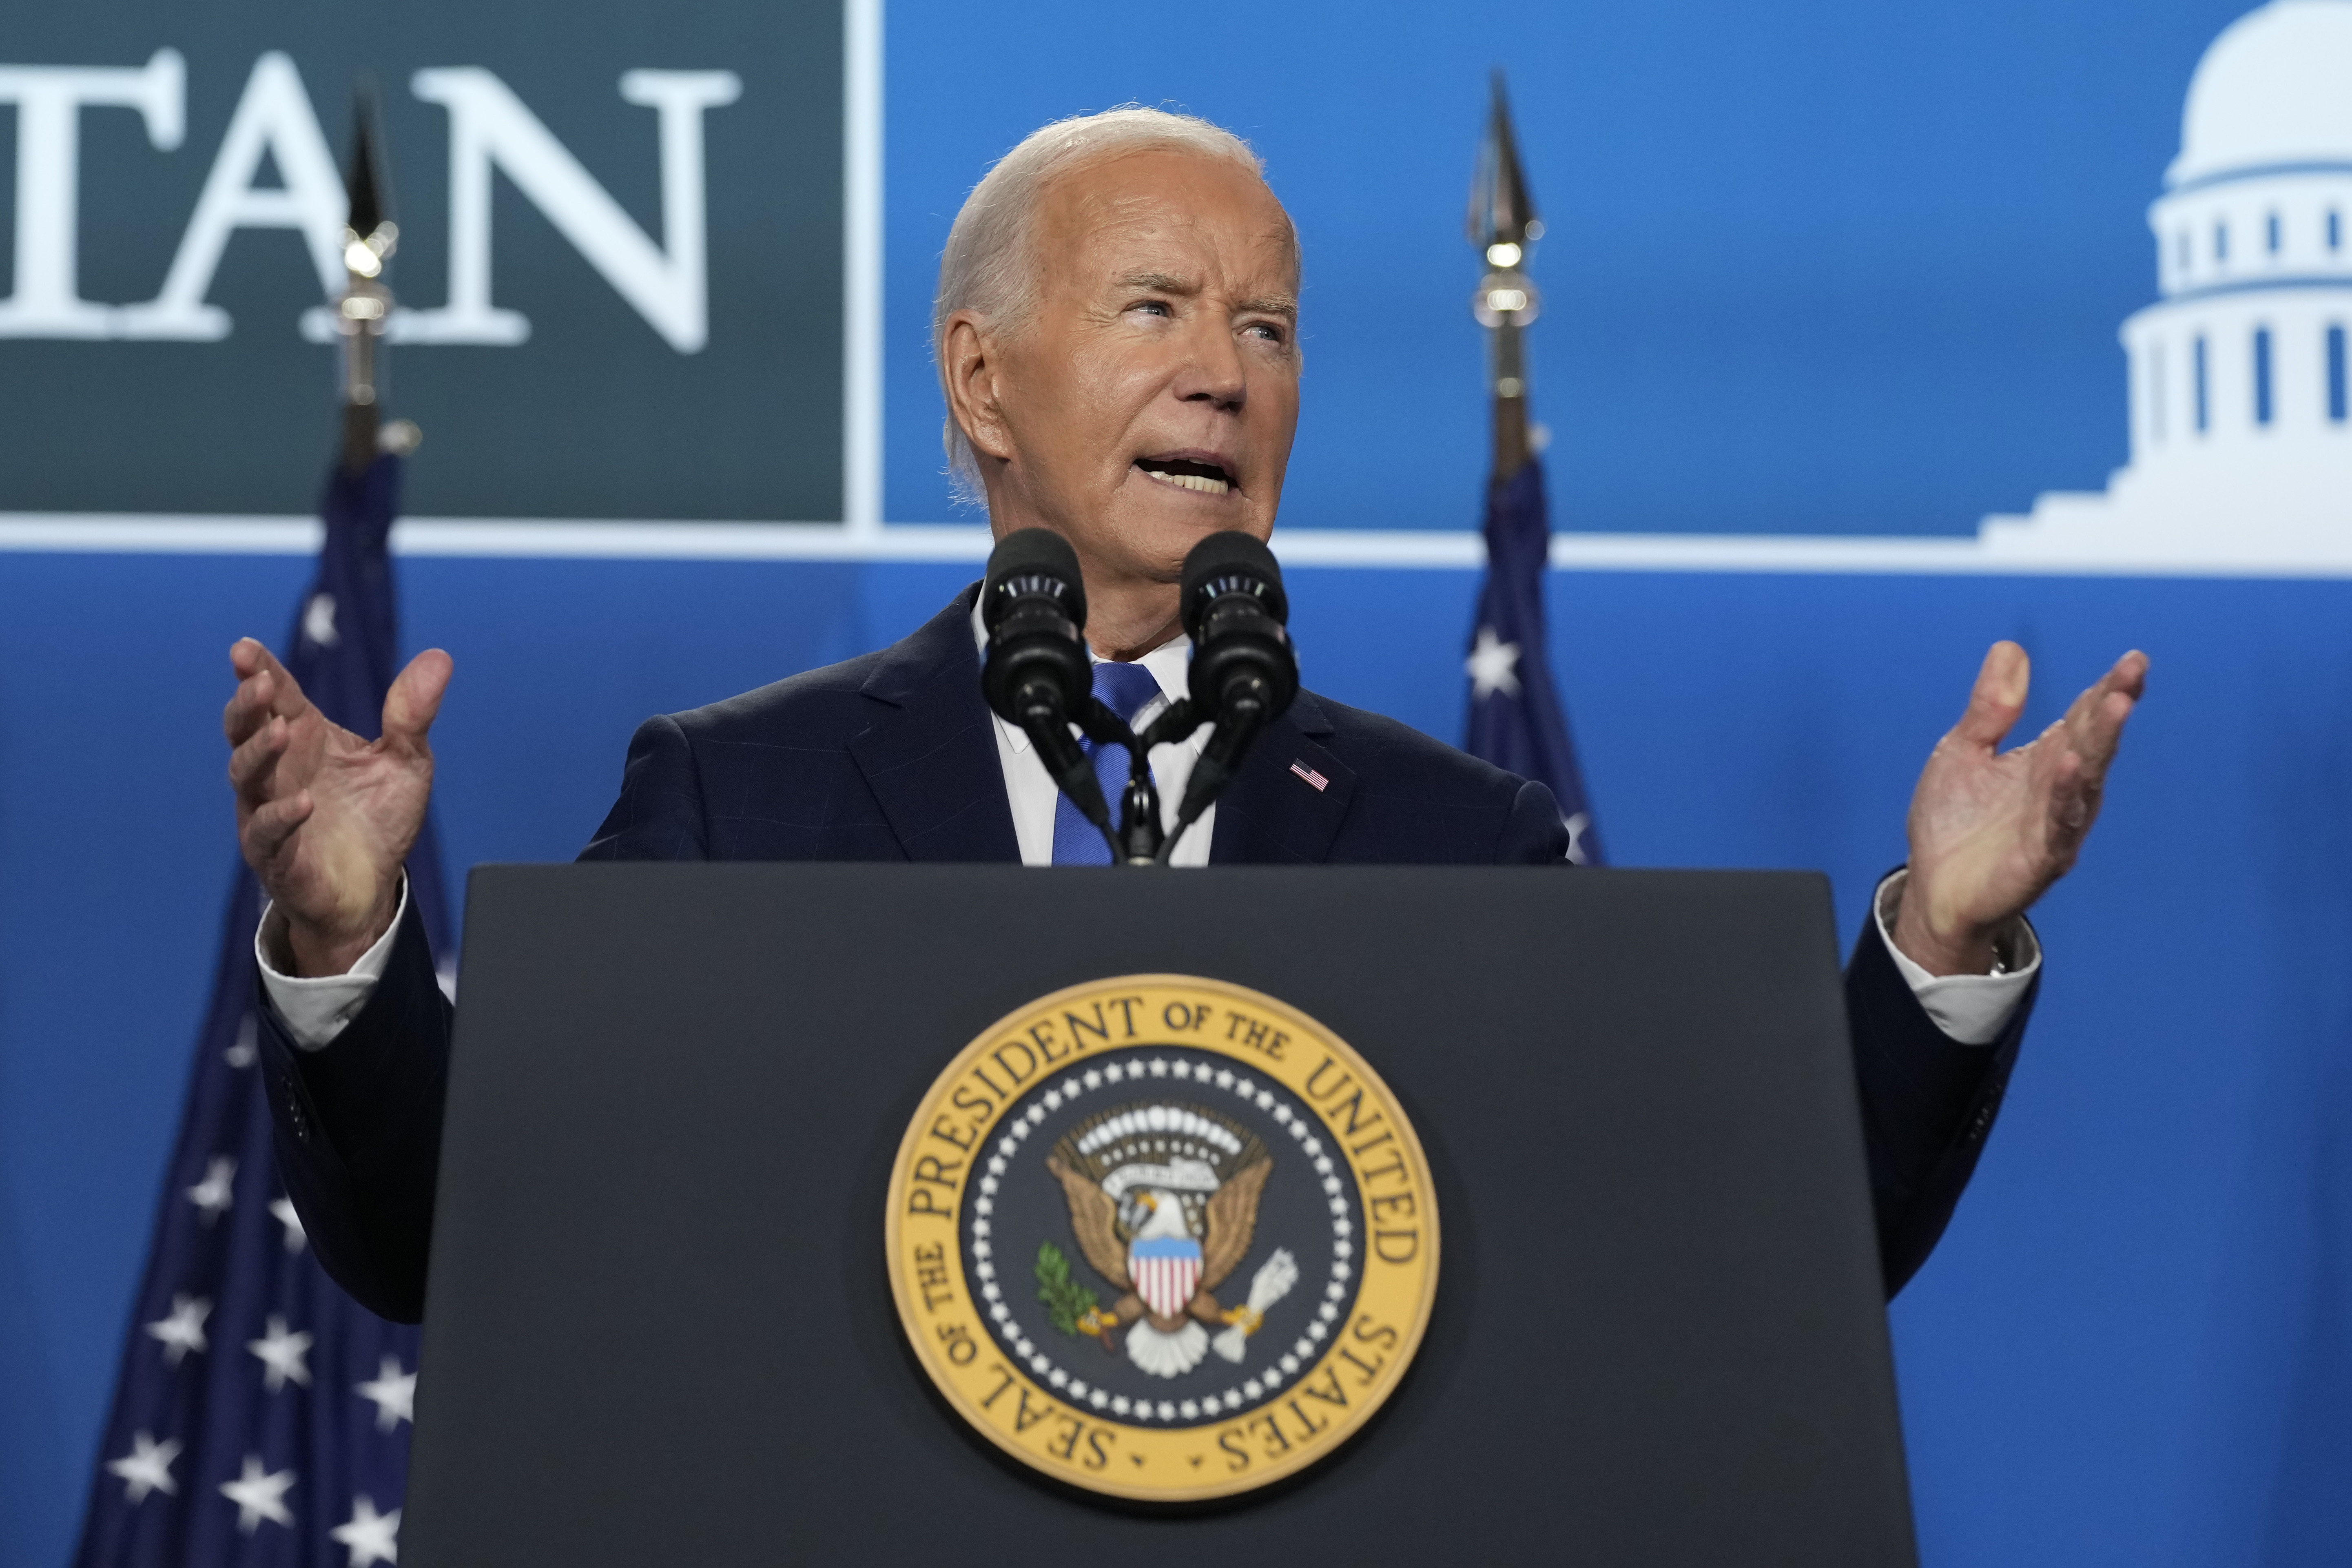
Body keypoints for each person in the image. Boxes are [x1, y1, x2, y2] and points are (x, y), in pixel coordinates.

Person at [222, 109, 2146, 1324]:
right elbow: (458, 1255)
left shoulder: (1457, 842)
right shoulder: (744, 794)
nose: (1224, 376)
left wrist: (1935, 946)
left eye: (1270, 327)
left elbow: (1732, 1262)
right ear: (982, 379)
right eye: (1156, 308)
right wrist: (343, 941)